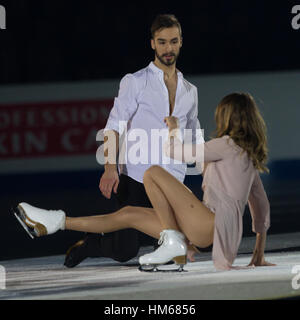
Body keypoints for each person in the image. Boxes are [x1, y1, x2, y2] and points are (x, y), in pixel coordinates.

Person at [13, 92, 276, 271]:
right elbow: (261, 208)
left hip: (208, 222)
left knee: (152, 172)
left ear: (227, 117)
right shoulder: (248, 157)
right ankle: (55, 222)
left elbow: (176, 152)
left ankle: (173, 242)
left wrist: (173, 129)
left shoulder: (226, 145)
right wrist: (258, 254)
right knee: (128, 214)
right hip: (210, 229)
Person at [63, 13, 202, 268]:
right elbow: (113, 126)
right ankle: (93, 243)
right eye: (162, 42)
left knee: (182, 243)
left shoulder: (190, 91)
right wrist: (109, 167)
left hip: (171, 180)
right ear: (152, 44)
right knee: (124, 250)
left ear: (181, 41)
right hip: (136, 176)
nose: (168, 48)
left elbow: (193, 135)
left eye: (173, 41)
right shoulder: (136, 82)